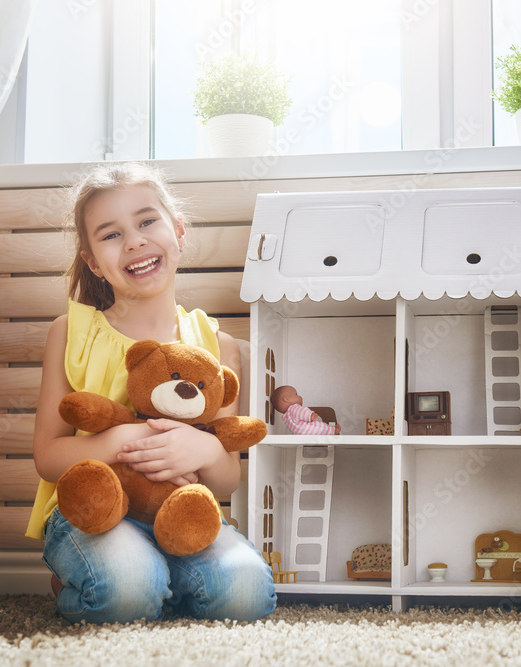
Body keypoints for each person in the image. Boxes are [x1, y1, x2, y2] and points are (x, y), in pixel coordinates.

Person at [24, 162, 276, 625]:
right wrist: (124, 442)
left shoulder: (216, 345)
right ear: (93, 262)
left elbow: (225, 481)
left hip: (181, 511)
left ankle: (158, 577)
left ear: (178, 231)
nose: (135, 241)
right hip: (94, 509)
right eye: (111, 234)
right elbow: (48, 456)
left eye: (146, 222)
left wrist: (202, 447)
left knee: (245, 595)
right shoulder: (70, 332)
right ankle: (106, 580)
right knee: (126, 592)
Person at [270, 385, 341, 435]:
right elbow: (301, 412)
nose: (299, 396)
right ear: (287, 399)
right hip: (308, 430)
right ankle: (333, 430)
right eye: (296, 394)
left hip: (300, 434)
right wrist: (310, 415)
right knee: (320, 427)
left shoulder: (286, 418)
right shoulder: (293, 407)